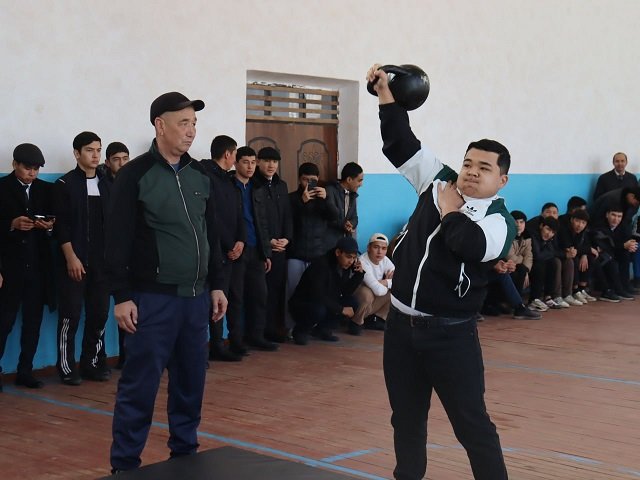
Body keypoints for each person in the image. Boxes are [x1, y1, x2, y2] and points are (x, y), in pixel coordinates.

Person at [367, 63, 512, 480]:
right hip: (400, 328)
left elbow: (469, 245)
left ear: (501, 180)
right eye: (468, 162)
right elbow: (400, 142)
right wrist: (385, 94)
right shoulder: (437, 181)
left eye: (484, 167)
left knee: (472, 426)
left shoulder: (500, 220)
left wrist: (450, 212)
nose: (471, 171)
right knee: (405, 418)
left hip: (451, 336)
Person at [106, 91, 228, 473]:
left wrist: (217, 284)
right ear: (160, 125)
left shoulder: (201, 175)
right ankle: (125, 465)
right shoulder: (134, 175)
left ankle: (185, 456)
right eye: (183, 123)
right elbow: (116, 239)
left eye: (194, 124)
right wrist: (121, 296)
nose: (191, 131)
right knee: (139, 387)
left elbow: (211, 234)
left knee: (191, 383)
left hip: (195, 300)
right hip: (151, 301)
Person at [54, 131, 111, 385]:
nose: (95, 155)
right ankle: (66, 367)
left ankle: (92, 362)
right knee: (71, 315)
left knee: (100, 314)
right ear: (77, 154)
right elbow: (62, 226)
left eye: (98, 150)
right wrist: (71, 258)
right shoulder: (65, 184)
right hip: (75, 262)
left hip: (102, 264)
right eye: (89, 150)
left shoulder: (107, 183)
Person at [0, 144, 55, 390]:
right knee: (4, 322)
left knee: (33, 323)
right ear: (15, 164)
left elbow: (55, 222)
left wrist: (49, 227)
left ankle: (25, 371)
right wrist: (11, 224)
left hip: (38, 268)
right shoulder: (2, 188)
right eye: (27, 168)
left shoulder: (46, 189)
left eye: (36, 169)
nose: (32, 173)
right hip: (9, 268)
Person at [227, 147, 278, 353]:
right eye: (245, 162)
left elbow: (262, 223)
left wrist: (266, 252)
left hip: (256, 249)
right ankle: (236, 340)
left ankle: (256, 336)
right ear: (236, 163)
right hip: (237, 249)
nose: (250, 167)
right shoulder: (229, 186)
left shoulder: (257, 188)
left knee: (259, 295)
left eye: (253, 162)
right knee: (236, 297)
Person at [201, 135, 245, 362]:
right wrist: (229, 244)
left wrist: (241, 240)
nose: (235, 159)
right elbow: (213, 218)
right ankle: (213, 345)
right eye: (235, 154)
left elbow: (238, 213)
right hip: (216, 250)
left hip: (233, 250)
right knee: (212, 300)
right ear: (227, 154)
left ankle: (227, 342)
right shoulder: (207, 178)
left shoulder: (228, 180)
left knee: (228, 297)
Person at [286, 162, 337, 331]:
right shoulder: (292, 199)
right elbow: (287, 222)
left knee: (318, 292)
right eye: (305, 180)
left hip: (318, 254)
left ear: (318, 179)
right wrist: (302, 203)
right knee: (293, 292)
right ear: (299, 179)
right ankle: (292, 328)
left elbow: (335, 217)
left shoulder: (323, 199)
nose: (308, 183)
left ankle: (313, 327)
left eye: (312, 180)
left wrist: (327, 199)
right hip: (296, 253)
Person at [288, 236, 364, 345]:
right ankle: (300, 331)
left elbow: (346, 291)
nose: (351, 261)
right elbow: (317, 294)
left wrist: (358, 275)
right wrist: (341, 309)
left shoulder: (344, 266)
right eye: (348, 257)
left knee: (352, 302)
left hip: (325, 300)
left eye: (353, 258)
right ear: (338, 252)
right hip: (305, 303)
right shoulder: (321, 265)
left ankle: (323, 329)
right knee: (319, 309)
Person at [254, 147, 293, 343]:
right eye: (267, 161)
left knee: (277, 290)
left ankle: (274, 329)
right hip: (262, 247)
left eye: (275, 162)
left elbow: (287, 215)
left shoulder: (281, 185)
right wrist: (268, 240)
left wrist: (287, 238)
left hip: (280, 247)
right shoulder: (254, 185)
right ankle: (258, 332)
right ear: (258, 162)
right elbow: (256, 218)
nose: (271, 165)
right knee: (261, 293)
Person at [102, 142, 130, 369]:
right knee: (101, 312)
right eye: (116, 159)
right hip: (106, 256)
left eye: (125, 158)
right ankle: (98, 359)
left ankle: (127, 356)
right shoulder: (101, 185)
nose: (121, 163)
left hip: (130, 255)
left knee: (131, 309)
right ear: (107, 162)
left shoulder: (134, 182)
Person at [351, 233, 395, 334]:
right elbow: (379, 291)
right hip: (357, 299)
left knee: (395, 292)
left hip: (373, 297)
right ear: (368, 248)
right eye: (376, 247)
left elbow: (400, 280)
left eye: (383, 248)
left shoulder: (385, 260)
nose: (380, 252)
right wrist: (388, 284)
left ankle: (376, 319)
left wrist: (384, 282)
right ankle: (356, 322)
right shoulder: (363, 261)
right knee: (368, 294)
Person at [325, 162, 363, 250]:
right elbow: (329, 216)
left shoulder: (352, 195)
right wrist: (344, 224)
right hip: (330, 245)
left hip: (345, 244)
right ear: (349, 179)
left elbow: (355, 217)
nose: (361, 184)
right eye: (359, 180)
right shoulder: (330, 191)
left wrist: (351, 224)